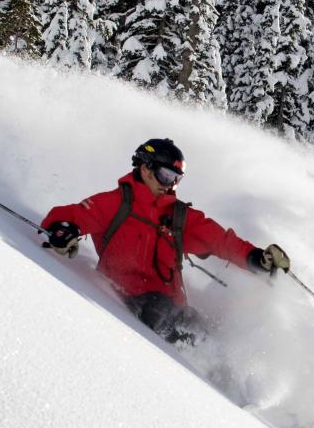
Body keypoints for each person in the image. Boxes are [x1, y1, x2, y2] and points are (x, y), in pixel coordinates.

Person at [40, 138, 290, 345]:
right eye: (166, 175)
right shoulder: (116, 204)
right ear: (145, 168)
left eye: (176, 179)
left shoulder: (179, 217)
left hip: (172, 308)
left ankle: (232, 394)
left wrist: (256, 258)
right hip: (122, 300)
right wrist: (62, 230)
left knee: (210, 337)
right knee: (162, 314)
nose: (170, 185)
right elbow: (70, 216)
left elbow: (220, 241)